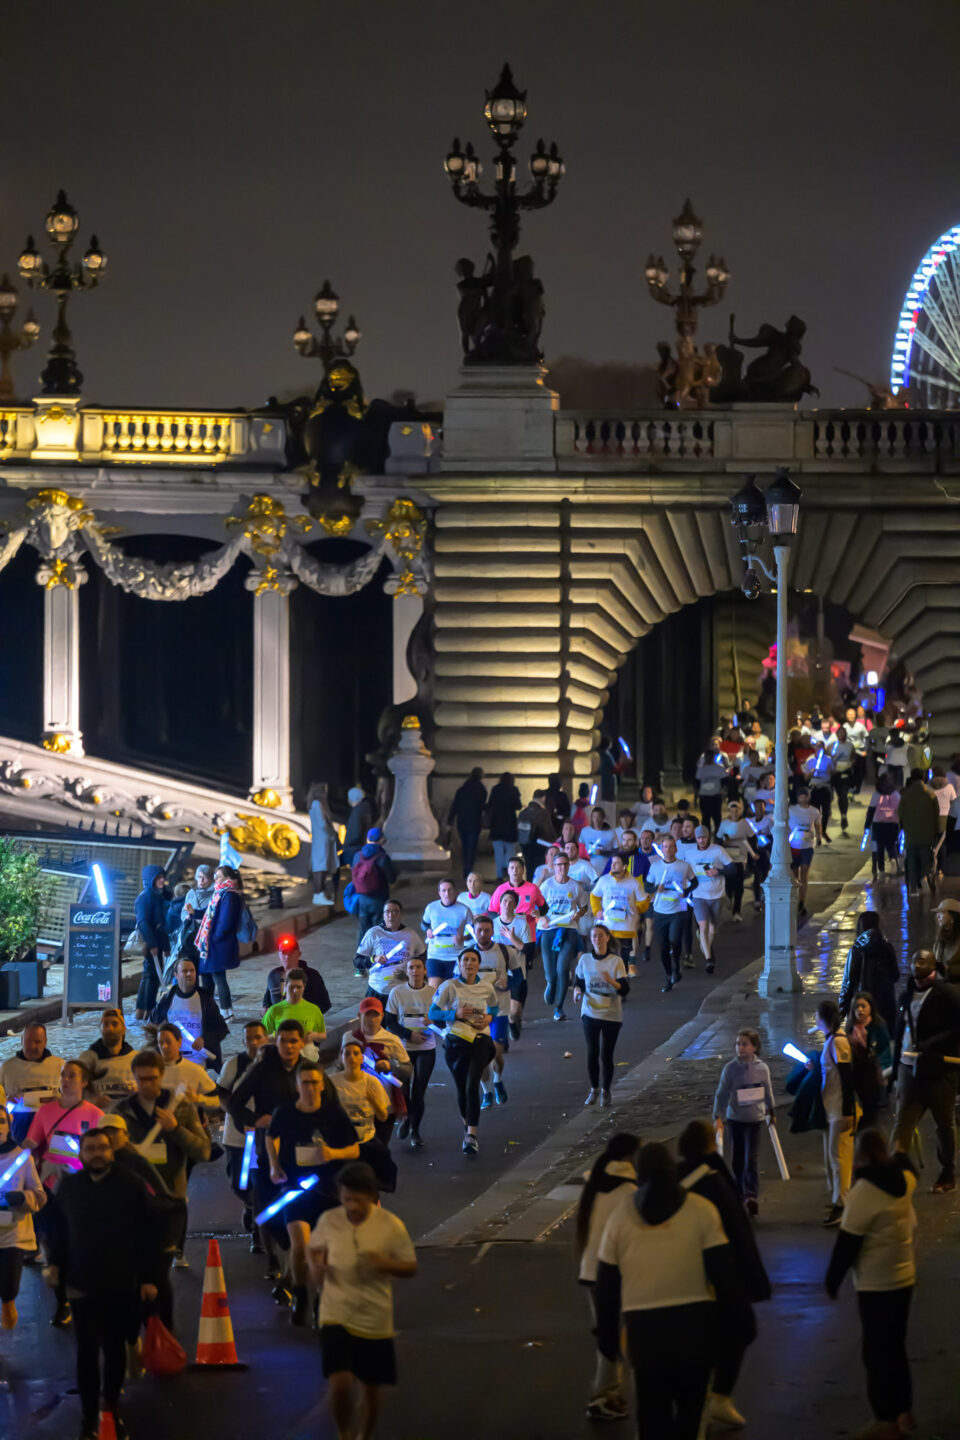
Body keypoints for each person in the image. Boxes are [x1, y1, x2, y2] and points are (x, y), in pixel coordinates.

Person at [595, 1142, 748, 1440]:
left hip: (644, 1331)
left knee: (652, 1415)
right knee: (692, 1414)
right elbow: (724, 1275)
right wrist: (735, 1325)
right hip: (694, 1325)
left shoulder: (621, 1217)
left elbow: (607, 1287)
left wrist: (608, 1341)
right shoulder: (700, 1210)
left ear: (639, 1175)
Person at [47, 1128, 163, 1440]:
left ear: (111, 1152)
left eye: (102, 1148)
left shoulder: (131, 1185)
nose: (97, 1154)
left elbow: (150, 1233)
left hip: (121, 1283)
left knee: (114, 1349)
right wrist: (54, 1263)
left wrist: (150, 1278)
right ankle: (88, 1421)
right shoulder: (69, 1187)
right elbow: (58, 1230)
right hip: (80, 1283)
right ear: (81, 1154)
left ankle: (111, 1409)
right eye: (91, 1149)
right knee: (86, 1351)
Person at [308, 1161, 417, 1440]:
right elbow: (314, 1249)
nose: (352, 1206)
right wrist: (318, 1268)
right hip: (335, 1311)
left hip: (373, 1316)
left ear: (372, 1195)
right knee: (340, 1382)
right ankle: (344, 1433)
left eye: (358, 1200)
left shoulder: (390, 1225)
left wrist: (384, 1264)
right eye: (346, 1199)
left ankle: (364, 1435)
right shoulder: (330, 1220)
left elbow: (410, 1266)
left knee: (371, 1388)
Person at [676, 1119, 771, 1431]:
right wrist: (752, 1281)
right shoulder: (716, 1182)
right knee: (736, 1329)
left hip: (679, 1276)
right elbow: (738, 1232)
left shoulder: (674, 1181)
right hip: (718, 1275)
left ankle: (705, 1401)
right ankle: (716, 1397)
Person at [825, 1129, 918, 1440]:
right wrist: (900, 1152)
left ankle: (885, 1419)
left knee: (876, 1352)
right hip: (904, 1277)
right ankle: (903, 1411)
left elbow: (847, 1244)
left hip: (876, 1283)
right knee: (895, 1346)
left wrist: (832, 1281)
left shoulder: (864, 1193)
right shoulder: (904, 1180)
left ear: (862, 1157)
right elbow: (908, 1165)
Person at [266, 1060, 361, 1326]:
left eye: (314, 1083)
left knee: (323, 1254)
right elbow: (271, 1136)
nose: (309, 1088)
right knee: (300, 1246)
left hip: (327, 1192)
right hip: (295, 1190)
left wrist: (333, 1153)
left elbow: (354, 1150)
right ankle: (299, 1294)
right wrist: (274, 1165)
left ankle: (322, 1299)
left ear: (322, 1085)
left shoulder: (334, 1114)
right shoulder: (285, 1112)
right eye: (304, 1083)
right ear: (297, 1086)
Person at [225, 1019, 306, 1291]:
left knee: (298, 1198)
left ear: (302, 1043)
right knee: (263, 1201)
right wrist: (254, 1119)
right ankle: (271, 1256)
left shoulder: (308, 1070)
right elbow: (234, 1102)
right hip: (263, 1147)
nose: (289, 1046)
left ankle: (294, 1252)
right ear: (276, 1041)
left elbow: (327, 1102)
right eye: (283, 1041)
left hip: (299, 1147)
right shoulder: (261, 1069)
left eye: (294, 1041)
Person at [25, 1061, 104, 1328]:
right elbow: (32, 1143)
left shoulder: (95, 1115)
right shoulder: (46, 1111)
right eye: (63, 1075)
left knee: (80, 1245)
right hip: (52, 1190)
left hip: (82, 1192)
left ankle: (84, 1294)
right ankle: (62, 1303)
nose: (66, 1080)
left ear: (84, 1082)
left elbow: (101, 1155)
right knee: (55, 1245)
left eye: (72, 1076)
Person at [575, 1133, 640, 1422]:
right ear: (629, 1157)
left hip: (590, 1271)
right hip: (612, 1273)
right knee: (613, 1337)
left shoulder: (594, 1184)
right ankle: (602, 1395)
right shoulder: (628, 1192)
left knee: (609, 1333)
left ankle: (610, 1392)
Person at [891, 948, 960, 1194]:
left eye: (922, 961)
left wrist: (931, 1045)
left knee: (944, 1122)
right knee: (903, 1123)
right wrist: (895, 1071)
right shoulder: (906, 994)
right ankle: (893, 1174)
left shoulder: (947, 993)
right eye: (914, 961)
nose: (916, 965)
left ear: (933, 967)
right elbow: (900, 1031)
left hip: (939, 1071)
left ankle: (947, 1171)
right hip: (908, 1068)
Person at [429, 947, 499, 1155]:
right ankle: (467, 1126)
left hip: (481, 1040)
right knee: (462, 1087)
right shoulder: (449, 986)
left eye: (473, 960)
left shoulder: (486, 987)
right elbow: (433, 1013)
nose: (469, 964)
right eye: (465, 960)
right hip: (456, 1042)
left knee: (471, 1085)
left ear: (479, 964)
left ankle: (471, 1136)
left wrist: (489, 1018)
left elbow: (494, 1006)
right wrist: (455, 1014)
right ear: (459, 964)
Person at [713, 1028, 775, 1215]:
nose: (740, 1048)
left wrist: (771, 1110)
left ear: (754, 1047)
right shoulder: (730, 1069)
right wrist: (718, 1116)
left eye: (745, 1044)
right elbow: (722, 1093)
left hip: (755, 1119)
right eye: (738, 1044)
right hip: (736, 1119)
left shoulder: (762, 1068)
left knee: (751, 1159)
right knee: (738, 1159)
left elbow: (767, 1090)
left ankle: (751, 1194)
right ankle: (739, 1192)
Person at [218, 1019, 269, 1247]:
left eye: (258, 1038)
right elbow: (222, 1094)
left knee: (261, 1184)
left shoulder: (274, 1066)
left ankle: (259, 1234)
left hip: (265, 1137)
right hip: (238, 1135)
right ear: (243, 1041)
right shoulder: (233, 1065)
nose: (254, 1043)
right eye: (249, 1039)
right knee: (237, 1182)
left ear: (266, 1039)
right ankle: (249, 1205)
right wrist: (241, 1117)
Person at [0, 1101, 45, 1333]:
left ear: (9, 1125)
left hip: (13, 1234)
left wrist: (22, 1198)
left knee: (9, 1285)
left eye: (1, 1121)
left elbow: (39, 1196)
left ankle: (8, 1303)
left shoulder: (22, 1159)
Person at [573, 924, 629, 1108]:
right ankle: (594, 1088)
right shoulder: (585, 960)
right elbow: (579, 980)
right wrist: (577, 990)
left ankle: (606, 1090)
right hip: (590, 1012)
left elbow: (625, 989)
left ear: (607, 937)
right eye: (594, 936)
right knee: (592, 1052)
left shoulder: (616, 961)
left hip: (611, 1014)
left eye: (600, 935)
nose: (597, 939)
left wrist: (610, 980)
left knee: (607, 1054)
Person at [385, 955, 437, 1147]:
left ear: (425, 971)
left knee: (419, 1092)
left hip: (426, 1048)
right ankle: (406, 1118)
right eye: (411, 967)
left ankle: (415, 1130)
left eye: (418, 967)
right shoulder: (397, 993)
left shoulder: (433, 993)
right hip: (403, 1048)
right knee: (404, 1090)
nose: (415, 971)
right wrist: (409, 1035)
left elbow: (442, 1019)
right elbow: (389, 1022)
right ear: (406, 971)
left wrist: (434, 1021)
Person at [151, 952, 229, 1070]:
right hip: (173, 1063)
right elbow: (152, 1025)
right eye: (184, 971)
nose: (189, 974)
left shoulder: (205, 999)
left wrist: (204, 1040)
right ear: (176, 975)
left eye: (192, 970)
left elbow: (221, 1029)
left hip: (200, 1064)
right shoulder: (167, 1000)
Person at [815, 999, 856, 1225]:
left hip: (840, 1109)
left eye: (817, 1015)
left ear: (823, 1018)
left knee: (840, 1156)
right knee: (833, 1155)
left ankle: (842, 1203)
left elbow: (847, 1076)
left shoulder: (838, 1042)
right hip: (832, 1107)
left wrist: (848, 1111)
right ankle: (837, 1198)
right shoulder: (832, 1040)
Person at [468, 914, 513, 1108]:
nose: (483, 934)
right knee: (481, 1058)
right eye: (479, 930)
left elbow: (520, 977)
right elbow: (457, 981)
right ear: (474, 931)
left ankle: (498, 1080)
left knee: (495, 1053)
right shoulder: (467, 955)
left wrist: (508, 982)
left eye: (487, 930)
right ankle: (486, 1092)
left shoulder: (504, 951)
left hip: (499, 1011)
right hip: (475, 1013)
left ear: (492, 932)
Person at [538, 851, 588, 1021]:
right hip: (549, 931)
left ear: (569, 866)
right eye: (559, 865)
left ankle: (559, 1008)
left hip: (568, 930)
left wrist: (579, 914)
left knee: (562, 969)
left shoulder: (575, 886)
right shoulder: (546, 886)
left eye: (565, 864)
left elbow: (584, 906)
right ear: (554, 866)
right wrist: (542, 918)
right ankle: (551, 984)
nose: (562, 868)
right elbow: (535, 907)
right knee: (551, 974)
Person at [645, 835, 696, 993]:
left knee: (674, 939)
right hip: (660, 911)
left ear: (676, 849)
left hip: (678, 910)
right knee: (663, 947)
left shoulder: (684, 866)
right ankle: (669, 976)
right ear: (661, 849)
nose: (668, 849)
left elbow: (695, 882)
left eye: (671, 846)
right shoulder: (655, 867)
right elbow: (647, 886)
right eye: (665, 847)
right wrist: (656, 889)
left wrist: (686, 892)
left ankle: (676, 966)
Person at [194, 863, 245, 1019]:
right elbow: (209, 913)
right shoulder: (221, 893)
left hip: (218, 945)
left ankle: (225, 1013)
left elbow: (225, 922)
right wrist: (194, 913)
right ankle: (223, 1011)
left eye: (218, 876)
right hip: (215, 944)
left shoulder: (229, 895)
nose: (214, 878)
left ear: (227, 878)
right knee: (216, 977)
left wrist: (214, 937)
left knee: (219, 978)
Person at [1, 1021, 63, 1143]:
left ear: (45, 1042)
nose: (32, 1046)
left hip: (51, 1124)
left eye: (37, 1042)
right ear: (21, 1041)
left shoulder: (60, 1066)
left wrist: (60, 1102)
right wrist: (7, 1101)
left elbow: (73, 1100)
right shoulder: (7, 1068)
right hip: (18, 1126)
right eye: (28, 1041)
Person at [682, 825, 731, 974]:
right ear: (695, 839)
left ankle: (706, 946)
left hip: (717, 895)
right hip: (699, 895)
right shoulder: (690, 854)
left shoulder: (718, 850)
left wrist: (719, 871)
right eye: (699, 838)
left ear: (708, 837)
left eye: (704, 837)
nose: (702, 840)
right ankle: (709, 959)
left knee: (712, 928)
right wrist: (686, 888)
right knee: (703, 926)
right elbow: (686, 873)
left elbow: (733, 869)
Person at [838, 911, 900, 1030]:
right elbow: (895, 975)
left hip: (862, 1005)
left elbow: (848, 981)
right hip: (886, 1004)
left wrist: (842, 1010)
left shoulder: (856, 949)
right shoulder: (887, 946)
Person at [589, 852, 647, 976]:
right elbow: (594, 896)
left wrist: (636, 908)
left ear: (624, 866)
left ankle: (622, 983)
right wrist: (597, 910)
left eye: (616, 863)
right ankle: (607, 983)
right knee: (606, 957)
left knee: (623, 960)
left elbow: (643, 901)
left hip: (626, 928)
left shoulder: (634, 882)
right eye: (612, 863)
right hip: (607, 927)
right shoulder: (604, 880)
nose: (612, 865)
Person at [355, 898, 425, 996]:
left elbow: (423, 956)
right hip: (377, 989)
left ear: (401, 915)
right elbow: (357, 961)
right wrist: (374, 958)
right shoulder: (374, 933)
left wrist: (412, 966)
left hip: (402, 992)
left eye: (395, 911)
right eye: (387, 912)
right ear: (383, 915)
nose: (391, 915)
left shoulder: (411, 935)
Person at [845, 994, 892, 1130]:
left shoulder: (878, 1026)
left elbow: (884, 1049)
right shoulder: (851, 1027)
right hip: (857, 1074)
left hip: (874, 1074)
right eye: (857, 1007)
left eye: (863, 1006)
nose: (860, 1010)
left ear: (871, 1007)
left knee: (871, 1115)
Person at [154, 1023, 222, 1118]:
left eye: (168, 1042)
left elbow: (218, 1101)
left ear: (179, 1042)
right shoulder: (151, 1070)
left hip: (190, 1124)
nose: (164, 1046)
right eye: (160, 1043)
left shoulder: (195, 1070)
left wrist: (197, 1098)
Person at [77, 1010, 137, 1107]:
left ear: (123, 1029)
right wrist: (93, 1101)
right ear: (100, 1028)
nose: (109, 1028)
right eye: (105, 1024)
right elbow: (74, 1089)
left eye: (114, 1024)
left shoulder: (135, 1058)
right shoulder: (87, 1059)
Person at [134, 864, 170, 1019]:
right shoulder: (144, 898)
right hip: (151, 942)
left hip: (159, 941)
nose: (162, 880)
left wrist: (165, 945)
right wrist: (152, 944)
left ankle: (142, 1009)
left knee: (150, 974)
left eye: (162, 877)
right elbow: (143, 922)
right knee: (151, 975)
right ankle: (147, 1009)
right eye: (158, 878)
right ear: (151, 879)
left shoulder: (161, 895)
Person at [421, 877, 470, 989]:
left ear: (455, 892)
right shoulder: (431, 907)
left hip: (455, 957)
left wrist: (463, 938)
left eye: (450, 890)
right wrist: (428, 930)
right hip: (435, 955)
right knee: (434, 989)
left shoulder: (464, 910)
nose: (447, 894)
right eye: (444, 890)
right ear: (439, 893)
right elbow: (423, 924)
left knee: (453, 991)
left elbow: (473, 932)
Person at [263, 933, 331, 1012]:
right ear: (279, 954)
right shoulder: (273, 975)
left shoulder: (312, 976)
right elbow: (267, 1001)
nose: (287, 957)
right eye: (284, 952)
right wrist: (266, 1009)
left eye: (291, 953)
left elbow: (325, 1004)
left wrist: (307, 1014)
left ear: (299, 954)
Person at [898, 769, 939, 899]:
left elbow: (900, 815)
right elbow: (936, 815)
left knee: (912, 860)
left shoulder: (905, 796)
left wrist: (902, 829)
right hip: (927, 834)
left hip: (911, 834)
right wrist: (936, 832)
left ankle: (913, 887)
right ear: (923, 778)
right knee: (926, 858)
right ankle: (923, 877)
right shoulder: (931, 795)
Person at [351, 829, 398, 944]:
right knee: (379, 930)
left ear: (368, 839)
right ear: (381, 840)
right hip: (379, 898)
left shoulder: (357, 856)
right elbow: (392, 879)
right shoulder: (383, 857)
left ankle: (362, 953)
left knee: (363, 930)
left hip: (362, 898)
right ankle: (377, 953)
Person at [716, 800, 758, 923]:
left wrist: (753, 854)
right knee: (729, 882)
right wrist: (725, 841)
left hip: (740, 857)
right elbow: (718, 839)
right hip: (727, 857)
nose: (734, 813)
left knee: (739, 884)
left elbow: (752, 838)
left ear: (740, 811)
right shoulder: (724, 823)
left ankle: (737, 911)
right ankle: (729, 896)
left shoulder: (745, 823)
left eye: (736, 811)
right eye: (732, 811)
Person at [263, 968, 327, 1043]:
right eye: (291, 987)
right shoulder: (274, 1010)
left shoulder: (314, 1009)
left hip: (305, 1049)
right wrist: (276, 1037)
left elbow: (323, 1035)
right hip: (281, 1049)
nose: (295, 991)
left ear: (304, 987)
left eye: (299, 987)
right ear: (285, 986)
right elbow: (262, 1037)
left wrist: (314, 1036)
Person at [446, 765, 487, 878]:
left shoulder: (461, 790)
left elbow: (454, 806)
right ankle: (469, 870)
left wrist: (449, 822)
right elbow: (482, 807)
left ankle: (465, 870)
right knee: (472, 847)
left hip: (462, 822)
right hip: (475, 822)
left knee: (465, 846)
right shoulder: (481, 790)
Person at [788, 787, 821, 917]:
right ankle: (794, 899)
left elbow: (818, 824)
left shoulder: (814, 811)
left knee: (804, 873)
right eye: (801, 795)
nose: (803, 798)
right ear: (798, 797)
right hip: (794, 846)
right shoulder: (791, 810)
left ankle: (801, 902)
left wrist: (819, 835)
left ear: (809, 797)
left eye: (805, 796)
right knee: (794, 874)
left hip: (808, 846)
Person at [307, 779, 340, 905]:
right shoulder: (317, 804)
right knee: (320, 867)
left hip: (322, 839)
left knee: (322, 866)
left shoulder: (316, 803)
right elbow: (322, 824)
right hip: (322, 839)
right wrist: (331, 834)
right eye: (325, 789)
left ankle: (321, 893)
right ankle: (318, 894)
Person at [487, 771, 522, 879]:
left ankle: (499, 875)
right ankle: (508, 870)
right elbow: (518, 806)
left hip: (496, 824)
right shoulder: (513, 790)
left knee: (498, 852)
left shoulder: (495, 789)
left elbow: (490, 805)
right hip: (510, 825)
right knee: (510, 851)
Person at [516, 789, 556, 876]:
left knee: (529, 868)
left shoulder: (523, 813)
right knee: (538, 870)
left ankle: (529, 883)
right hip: (539, 847)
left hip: (525, 845)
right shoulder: (543, 813)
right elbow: (548, 831)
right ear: (543, 798)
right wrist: (554, 842)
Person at [803, 740, 836, 841]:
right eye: (817, 747)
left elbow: (833, 772)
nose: (819, 749)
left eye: (821, 747)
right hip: (814, 787)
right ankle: (817, 833)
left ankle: (823, 831)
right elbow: (806, 778)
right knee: (815, 812)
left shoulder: (828, 760)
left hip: (825, 787)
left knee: (825, 812)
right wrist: (811, 773)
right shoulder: (810, 760)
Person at [694, 740, 730, 833]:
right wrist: (695, 798)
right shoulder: (701, 769)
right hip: (704, 796)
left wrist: (724, 794)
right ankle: (707, 835)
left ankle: (718, 835)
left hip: (716, 796)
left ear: (713, 757)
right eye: (707, 757)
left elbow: (725, 782)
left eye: (710, 757)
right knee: (705, 818)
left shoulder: (719, 768)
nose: (708, 759)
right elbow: (697, 784)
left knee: (717, 817)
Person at [342, 786, 375, 867]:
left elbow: (355, 833)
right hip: (360, 848)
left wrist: (346, 844)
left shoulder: (358, 812)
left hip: (354, 849)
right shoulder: (365, 808)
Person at [932, 896, 960, 982]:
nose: (938, 916)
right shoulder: (941, 937)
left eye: (942, 912)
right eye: (937, 913)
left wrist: (949, 969)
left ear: (953, 916)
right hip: (944, 983)